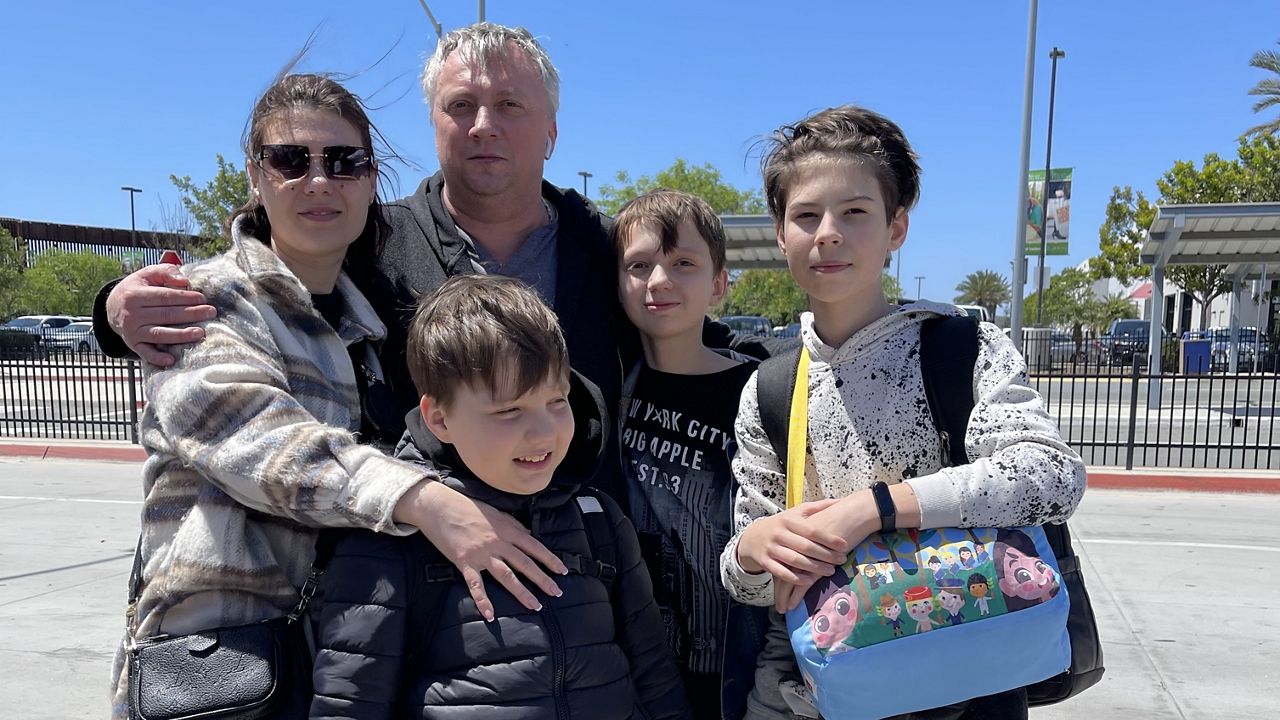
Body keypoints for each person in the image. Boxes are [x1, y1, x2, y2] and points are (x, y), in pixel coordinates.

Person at [93, 21, 768, 615]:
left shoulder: (605, 248)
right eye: (460, 106)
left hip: (584, 574)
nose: (483, 125)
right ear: (435, 124)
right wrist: (116, 308)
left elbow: (676, 328)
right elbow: (272, 267)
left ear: (552, 131)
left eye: (509, 105)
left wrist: (772, 375)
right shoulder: (373, 243)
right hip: (414, 589)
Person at [110, 72, 514, 717]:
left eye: (344, 161)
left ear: (371, 178)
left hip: (351, 657)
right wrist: (423, 500)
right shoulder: (204, 303)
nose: (319, 180)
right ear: (256, 177)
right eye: (291, 160)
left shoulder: (376, 320)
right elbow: (259, 444)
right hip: (225, 664)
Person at [719, 105, 1087, 718]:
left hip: (969, 686)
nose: (828, 232)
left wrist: (875, 509)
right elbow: (753, 584)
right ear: (781, 235)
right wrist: (755, 547)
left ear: (897, 228)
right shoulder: (770, 389)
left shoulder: (962, 348)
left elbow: (1050, 476)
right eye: (805, 215)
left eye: (855, 212)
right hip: (834, 692)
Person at [308, 275, 690, 719]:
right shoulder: (389, 542)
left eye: (558, 400)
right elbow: (349, 704)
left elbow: (656, 678)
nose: (544, 431)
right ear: (440, 418)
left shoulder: (600, 521)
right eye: (509, 410)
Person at [612, 189, 778, 719]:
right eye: (639, 265)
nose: (659, 280)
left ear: (720, 284)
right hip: (637, 666)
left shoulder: (762, 393)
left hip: (735, 662)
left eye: (683, 263)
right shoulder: (607, 391)